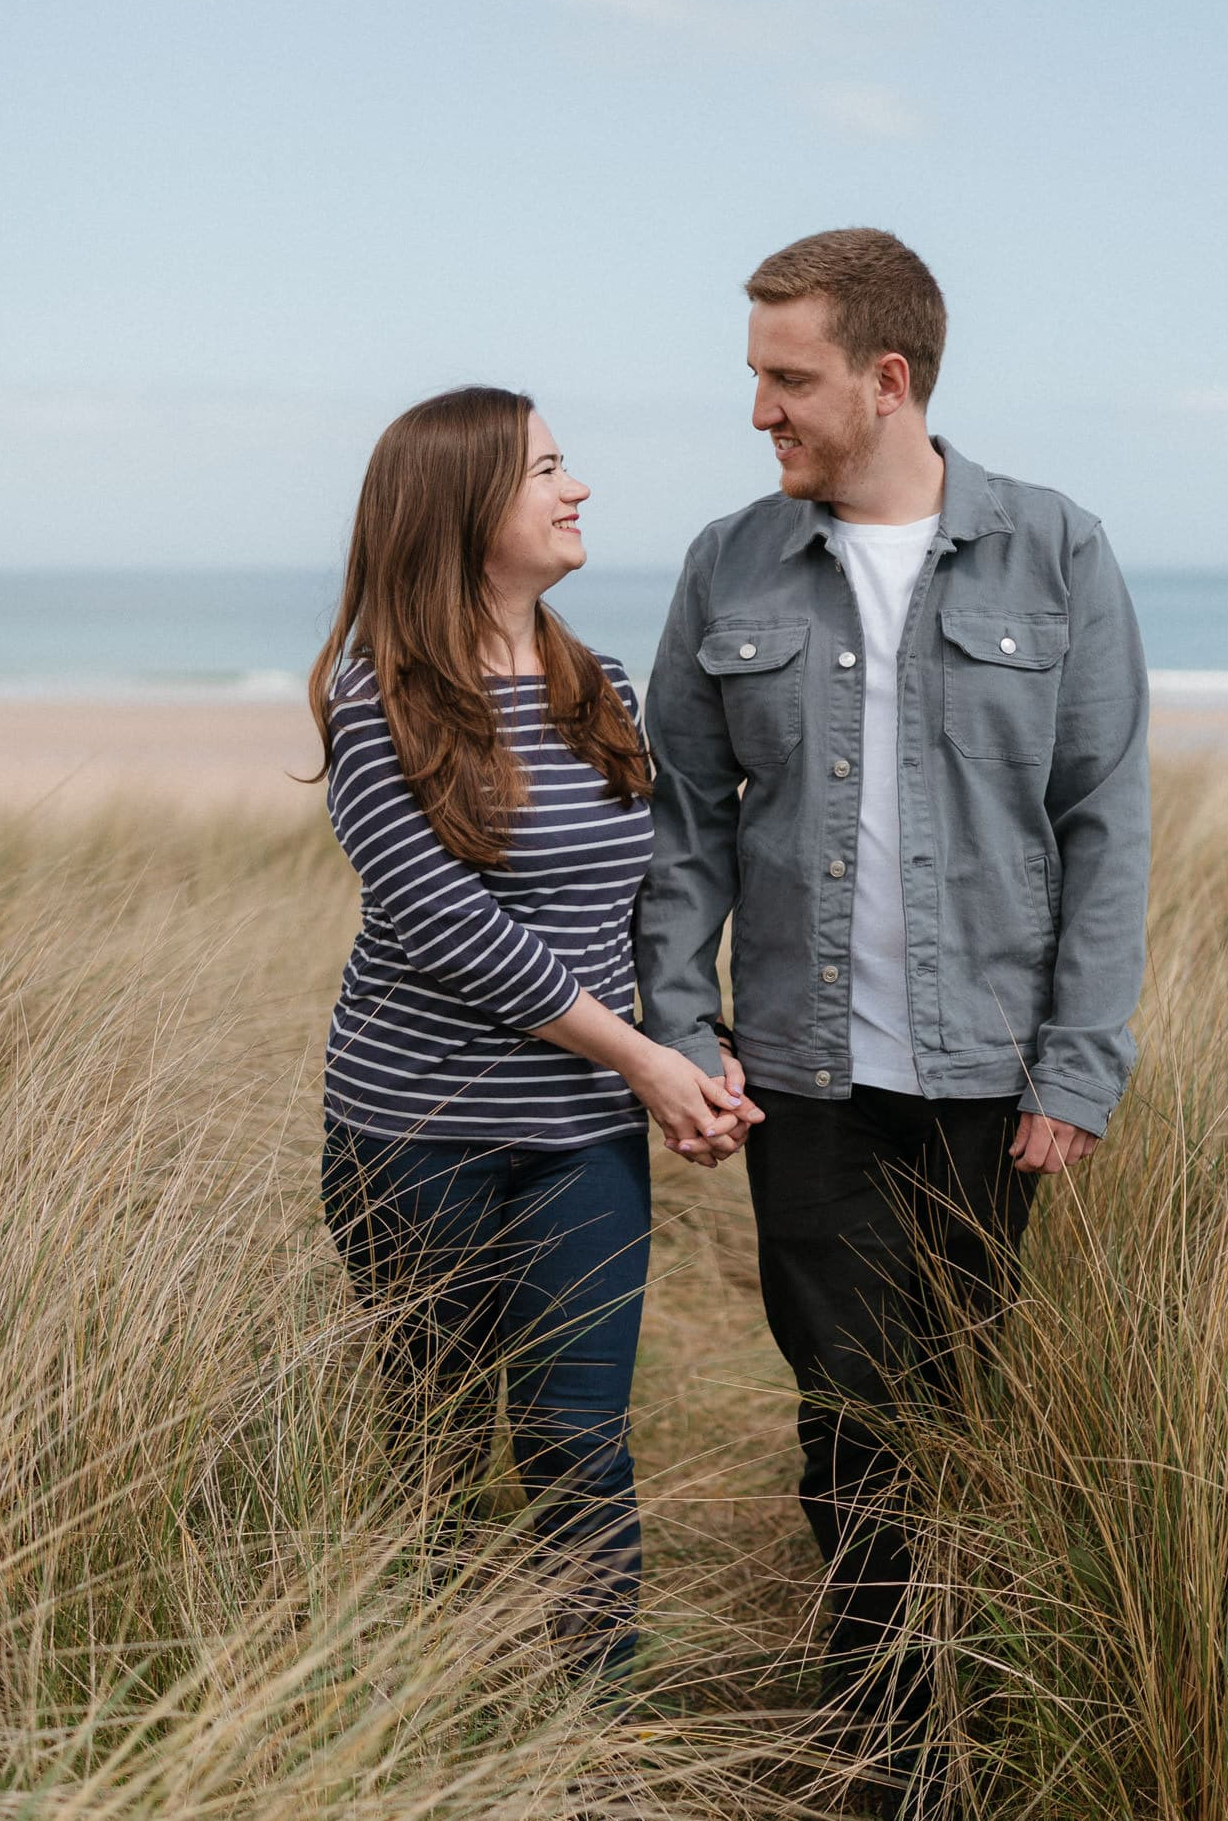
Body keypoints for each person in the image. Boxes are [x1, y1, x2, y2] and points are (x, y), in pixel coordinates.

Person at [635, 230, 1150, 1799]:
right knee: (852, 1417)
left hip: (998, 1084)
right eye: (756, 379)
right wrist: (684, 1026)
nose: (760, 413)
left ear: (887, 378)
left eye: (788, 381)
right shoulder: (729, 562)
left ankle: (972, 1706)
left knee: (964, 1411)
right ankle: (888, 1751)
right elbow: (682, 822)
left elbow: (1104, 825)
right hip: (805, 1079)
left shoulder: (1057, 552)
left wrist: (1078, 1065)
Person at [306, 385, 758, 1683]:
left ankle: (591, 1728)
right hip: (417, 1136)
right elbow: (450, 927)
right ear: (462, 509)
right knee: (436, 1442)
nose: (579, 488)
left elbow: (649, 894)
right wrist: (645, 1062)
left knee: (578, 1441)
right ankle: (428, 1711)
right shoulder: (375, 698)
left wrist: (692, 1043)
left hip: (581, 1141)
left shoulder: (593, 682)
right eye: (547, 469)